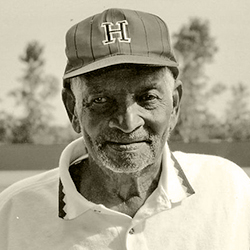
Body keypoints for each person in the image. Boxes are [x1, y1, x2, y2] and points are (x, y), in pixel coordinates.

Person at [0, 8, 250, 250]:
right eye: (101, 100)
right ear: (72, 109)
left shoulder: (227, 189)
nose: (128, 123)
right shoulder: (13, 212)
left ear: (174, 104)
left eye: (148, 97)